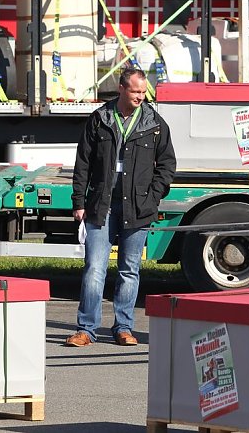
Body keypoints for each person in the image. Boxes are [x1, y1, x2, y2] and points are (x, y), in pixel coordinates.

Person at [66, 67, 177, 346]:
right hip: (101, 205)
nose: (140, 97)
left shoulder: (155, 124)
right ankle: (86, 329)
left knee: (129, 270)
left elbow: (167, 165)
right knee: (94, 268)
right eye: (135, 91)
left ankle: (124, 328)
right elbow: (83, 163)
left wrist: (153, 197)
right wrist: (79, 201)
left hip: (138, 207)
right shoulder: (100, 119)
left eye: (143, 92)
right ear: (122, 89)